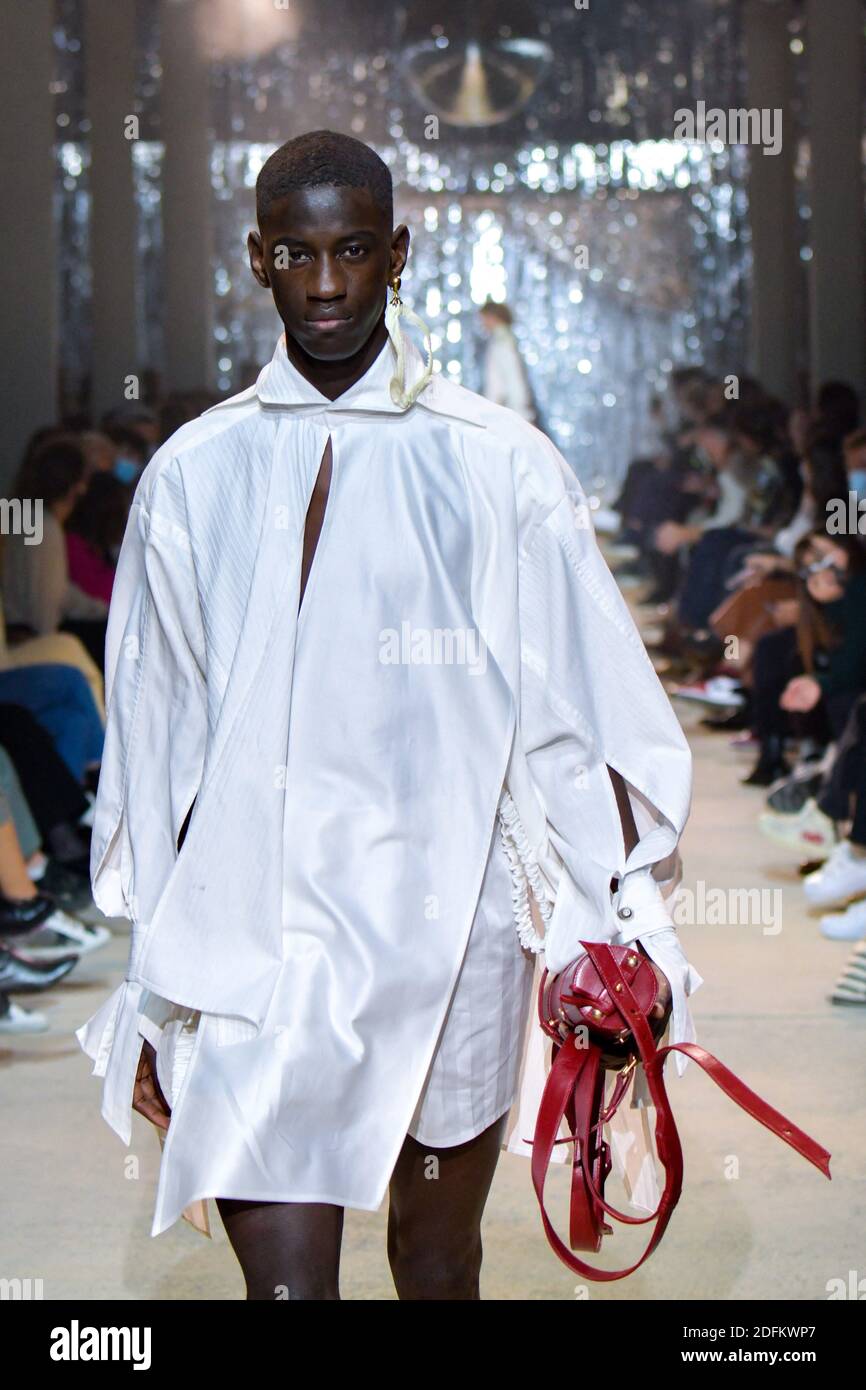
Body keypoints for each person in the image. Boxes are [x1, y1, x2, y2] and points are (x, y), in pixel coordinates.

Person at [76, 130, 699, 1301]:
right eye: (296, 254)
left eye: (353, 250)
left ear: (398, 253)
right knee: (289, 1289)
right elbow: (154, 747)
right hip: (256, 935)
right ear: (256, 260)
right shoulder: (191, 475)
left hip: (448, 925)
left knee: (436, 1260)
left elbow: (579, 709)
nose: (323, 284)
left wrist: (624, 914)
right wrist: (148, 975)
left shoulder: (497, 463)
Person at [478, 299, 536, 422]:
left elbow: (511, 379)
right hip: (507, 410)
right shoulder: (501, 340)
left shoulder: (502, 342)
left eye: (484, 318)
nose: (482, 323)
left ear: (493, 317)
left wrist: (522, 414)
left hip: (510, 412)